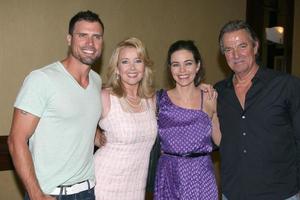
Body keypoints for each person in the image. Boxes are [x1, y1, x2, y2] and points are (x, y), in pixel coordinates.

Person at [7, 10, 104, 200]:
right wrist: (36, 195)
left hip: (88, 191)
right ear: (69, 39)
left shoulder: (97, 81)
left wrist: (104, 137)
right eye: (82, 35)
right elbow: (16, 140)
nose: (90, 43)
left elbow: (82, 123)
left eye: (96, 37)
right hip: (50, 194)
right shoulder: (41, 79)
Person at [215, 20, 300, 200]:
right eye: (229, 49)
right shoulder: (219, 93)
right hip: (233, 193)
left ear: (255, 47)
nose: (236, 54)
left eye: (242, 46)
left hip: (281, 194)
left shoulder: (286, 85)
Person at [154, 40, 221, 199]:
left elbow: (219, 141)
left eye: (188, 63)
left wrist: (213, 112)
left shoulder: (210, 98)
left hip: (201, 176)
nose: (182, 70)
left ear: (197, 66)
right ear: (170, 68)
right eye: (176, 64)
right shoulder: (158, 100)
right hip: (169, 175)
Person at [93, 37, 157, 200]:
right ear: (116, 68)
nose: (132, 68)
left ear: (145, 66)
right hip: (104, 183)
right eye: (125, 62)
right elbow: (77, 121)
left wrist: (199, 88)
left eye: (138, 60)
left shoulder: (151, 99)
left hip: (136, 186)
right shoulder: (105, 97)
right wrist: (95, 136)